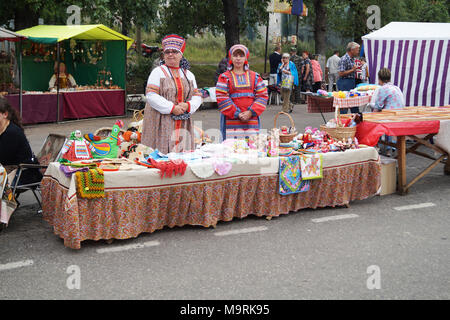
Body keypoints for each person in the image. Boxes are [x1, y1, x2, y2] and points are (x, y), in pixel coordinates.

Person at [141, 34, 202, 154]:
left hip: (183, 120)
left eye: (174, 51)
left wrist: (188, 106)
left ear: (181, 55)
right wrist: (172, 108)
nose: (170, 54)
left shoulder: (188, 74)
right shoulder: (158, 72)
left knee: (182, 152)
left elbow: (197, 95)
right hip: (160, 121)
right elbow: (151, 95)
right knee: (160, 153)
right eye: (167, 52)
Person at [216, 44, 268, 141]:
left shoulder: (255, 77)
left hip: (251, 120)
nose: (238, 58)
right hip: (231, 121)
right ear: (231, 57)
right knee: (232, 149)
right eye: (235, 55)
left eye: (241, 56)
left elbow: (262, 96)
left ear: (246, 58)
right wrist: (237, 113)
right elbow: (221, 97)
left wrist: (250, 112)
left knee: (251, 148)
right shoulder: (224, 77)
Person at [0, 97, 42, 188]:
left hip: (24, 174)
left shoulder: (12, 132)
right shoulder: (3, 129)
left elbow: (3, 159)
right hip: (10, 169)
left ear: (5, 114)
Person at [337, 42, 360, 114]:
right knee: (345, 104)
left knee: (354, 102)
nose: (358, 51)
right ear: (351, 50)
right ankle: (343, 121)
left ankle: (356, 119)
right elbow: (340, 73)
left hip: (350, 81)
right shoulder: (344, 59)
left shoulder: (352, 58)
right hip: (344, 82)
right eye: (357, 50)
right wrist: (352, 70)